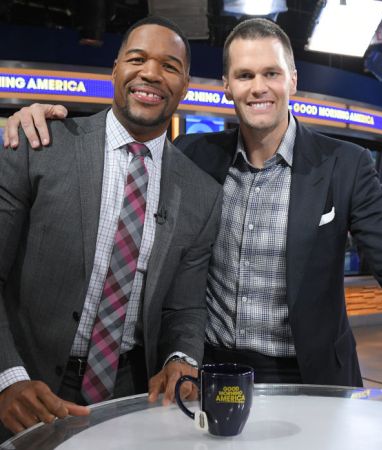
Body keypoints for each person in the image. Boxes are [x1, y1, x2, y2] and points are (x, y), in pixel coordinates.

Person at [4, 19, 382, 394]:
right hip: (208, 372)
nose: (259, 88)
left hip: (311, 375)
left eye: (271, 74)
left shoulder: (345, 164)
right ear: (226, 86)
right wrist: (32, 116)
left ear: (293, 80)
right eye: (245, 75)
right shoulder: (191, 157)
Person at [0, 16, 222, 439]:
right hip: (26, 383)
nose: (151, 74)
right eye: (137, 59)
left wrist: (182, 356)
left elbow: (185, 306)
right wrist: (7, 378)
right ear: (116, 68)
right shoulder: (40, 144)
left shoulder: (202, 193)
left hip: (130, 396)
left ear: (186, 84)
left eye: (170, 66)